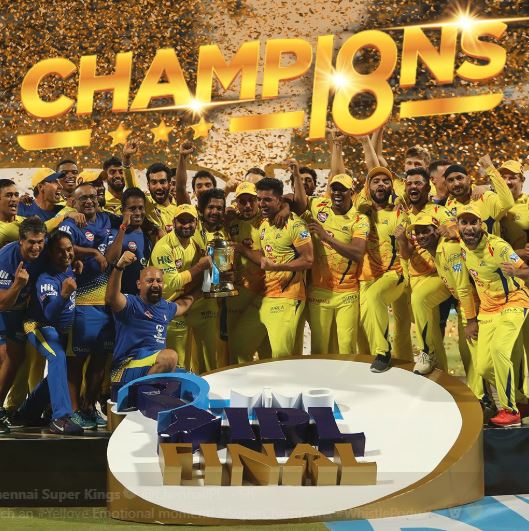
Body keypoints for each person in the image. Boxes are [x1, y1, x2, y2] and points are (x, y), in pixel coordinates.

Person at [458, 205, 529, 427]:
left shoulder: (498, 247)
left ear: (481, 225)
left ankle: (510, 411)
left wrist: (516, 272)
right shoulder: (462, 247)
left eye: (474, 222)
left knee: (499, 350)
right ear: (458, 226)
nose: (469, 227)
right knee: (483, 367)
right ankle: (520, 401)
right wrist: (471, 318)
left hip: (513, 302)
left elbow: (527, 271)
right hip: (488, 310)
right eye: (464, 222)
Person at [408, 214, 489, 407]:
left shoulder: (449, 248)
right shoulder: (435, 250)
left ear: (436, 231)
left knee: (475, 352)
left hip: (477, 302)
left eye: (426, 231)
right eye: (418, 232)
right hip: (466, 299)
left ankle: (484, 400)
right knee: (420, 298)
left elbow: (463, 286)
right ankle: (428, 352)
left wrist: (471, 320)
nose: (421, 236)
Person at [292, 160, 368, 356]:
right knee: (319, 348)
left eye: (342, 190)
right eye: (334, 189)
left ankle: (347, 376)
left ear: (352, 193)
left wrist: (326, 237)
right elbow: (298, 203)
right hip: (318, 291)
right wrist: (295, 174)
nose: (337, 193)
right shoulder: (320, 205)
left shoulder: (360, 219)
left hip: (348, 292)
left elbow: (357, 253)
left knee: (347, 347)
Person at [58, 183, 116, 429]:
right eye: (84, 198)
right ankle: (73, 412)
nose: (90, 201)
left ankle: (89, 407)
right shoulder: (71, 223)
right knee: (76, 362)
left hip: (106, 305)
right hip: (82, 303)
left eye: (93, 197)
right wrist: (93, 253)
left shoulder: (106, 219)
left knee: (100, 361)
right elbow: (61, 246)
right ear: (74, 202)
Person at [18, 230, 82, 434]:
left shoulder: (70, 268)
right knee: (57, 357)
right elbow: (50, 314)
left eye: (69, 250)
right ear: (51, 253)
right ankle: (60, 418)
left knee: (59, 369)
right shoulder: (46, 279)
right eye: (60, 251)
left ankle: (28, 412)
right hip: (38, 325)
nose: (66, 254)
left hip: (59, 331)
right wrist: (63, 295)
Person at [242, 177, 313, 358]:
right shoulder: (264, 225)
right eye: (259, 199)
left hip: (287, 298)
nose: (261, 204)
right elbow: (264, 259)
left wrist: (278, 266)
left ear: (279, 200)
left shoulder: (295, 224)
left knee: (281, 356)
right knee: (239, 345)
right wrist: (241, 249)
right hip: (265, 297)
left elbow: (308, 260)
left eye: (267, 199)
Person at [106, 251, 197, 388]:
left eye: (159, 281)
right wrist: (119, 267)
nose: (155, 284)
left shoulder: (166, 307)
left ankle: (154, 395)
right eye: (150, 281)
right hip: (125, 368)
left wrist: (202, 289)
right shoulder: (131, 303)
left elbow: (184, 304)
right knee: (170, 357)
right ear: (139, 284)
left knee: (191, 379)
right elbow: (111, 297)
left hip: (152, 365)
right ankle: (145, 397)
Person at [395, 167, 455, 374]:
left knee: (420, 299)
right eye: (409, 183)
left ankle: (425, 352)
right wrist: (401, 241)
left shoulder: (439, 211)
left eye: (418, 183)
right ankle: (442, 373)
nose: (413, 187)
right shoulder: (404, 216)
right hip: (415, 277)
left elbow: (454, 228)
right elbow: (406, 254)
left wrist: (449, 230)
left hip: (439, 275)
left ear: (428, 186)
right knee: (431, 326)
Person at [357, 166, 409, 372]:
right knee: (367, 323)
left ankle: (383, 353)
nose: (381, 185)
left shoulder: (399, 212)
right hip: (366, 276)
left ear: (391, 187)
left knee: (374, 297)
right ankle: (376, 363)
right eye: (376, 181)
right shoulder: (359, 212)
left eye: (386, 181)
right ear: (368, 187)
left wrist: (402, 239)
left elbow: (407, 249)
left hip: (394, 273)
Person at [150, 204, 212, 371]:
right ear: (173, 222)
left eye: (190, 221)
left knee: (188, 361)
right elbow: (172, 282)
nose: (186, 225)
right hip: (166, 310)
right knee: (174, 362)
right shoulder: (164, 247)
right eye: (181, 221)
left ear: (196, 223)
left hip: (186, 305)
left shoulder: (195, 242)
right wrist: (200, 267)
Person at [0, 218, 47, 434]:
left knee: (16, 358)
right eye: (31, 242)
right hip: (4, 309)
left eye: (40, 242)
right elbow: (2, 304)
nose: (36, 247)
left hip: (19, 313)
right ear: (21, 240)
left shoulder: (45, 251)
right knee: (6, 356)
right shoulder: (6, 259)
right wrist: (18, 285)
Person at [227, 182, 270, 363]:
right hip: (238, 294)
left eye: (251, 200)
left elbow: (269, 260)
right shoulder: (231, 222)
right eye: (242, 201)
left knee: (267, 349)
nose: (247, 205)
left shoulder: (268, 221)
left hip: (264, 294)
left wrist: (242, 249)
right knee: (237, 349)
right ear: (236, 203)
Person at [445, 155, 514, 236]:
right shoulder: (448, 205)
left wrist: (490, 169)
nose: (456, 183)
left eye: (460, 178)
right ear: (446, 184)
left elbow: (508, 203)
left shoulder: (485, 196)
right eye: (450, 180)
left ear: (468, 179)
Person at [121, 141, 180, 235]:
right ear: (148, 185)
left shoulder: (179, 208)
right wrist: (126, 158)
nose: (159, 187)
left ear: (169, 184)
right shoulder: (145, 203)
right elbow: (132, 186)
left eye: (162, 182)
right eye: (154, 182)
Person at [105, 187, 153, 295]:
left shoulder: (147, 237)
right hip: (119, 298)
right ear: (122, 211)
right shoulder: (115, 232)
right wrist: (124, 226)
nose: (138, 212)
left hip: (139, 299)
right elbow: (110, 259)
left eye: (141, 208)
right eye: (132, 209)